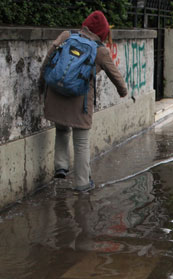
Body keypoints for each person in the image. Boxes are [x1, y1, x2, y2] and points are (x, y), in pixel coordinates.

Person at [39, 11, 128, 191]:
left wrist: (42, 82)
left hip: (56, 93)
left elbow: (49, 57)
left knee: (62, 129)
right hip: (79, 102)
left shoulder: (67, 35)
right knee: (81, 142)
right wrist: (123, 91)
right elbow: (115, 75)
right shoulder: (100, 50)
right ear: (103, 32)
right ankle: (82, 183)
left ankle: (61, 166)